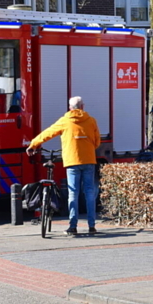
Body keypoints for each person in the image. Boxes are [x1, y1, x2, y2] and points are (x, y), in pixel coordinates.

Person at [27, 96, 101, 236]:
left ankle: (73, 227)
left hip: (72, 161)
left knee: (73, 193)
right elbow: (97, 142)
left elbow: (47, 133)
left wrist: (33, 144)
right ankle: (92, 226)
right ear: (82, 106)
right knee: (89, 193)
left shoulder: (65, 121)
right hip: (89, 161)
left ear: (70, 108)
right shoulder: (91, 121)